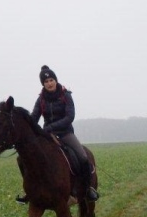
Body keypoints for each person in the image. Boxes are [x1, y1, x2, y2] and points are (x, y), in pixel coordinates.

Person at [16, 65, 99, 203]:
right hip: (47, 135)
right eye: (46, 81)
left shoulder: (66, 95)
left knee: (83, 157)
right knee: (21, 158)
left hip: (65, 133)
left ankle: (88, 189)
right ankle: (30, 190)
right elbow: (34, 117)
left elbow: (69, 117)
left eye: (51, 80)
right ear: (43, 84)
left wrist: (50, 127)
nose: (49, 83)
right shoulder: (41, 99)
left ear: (56, 80)